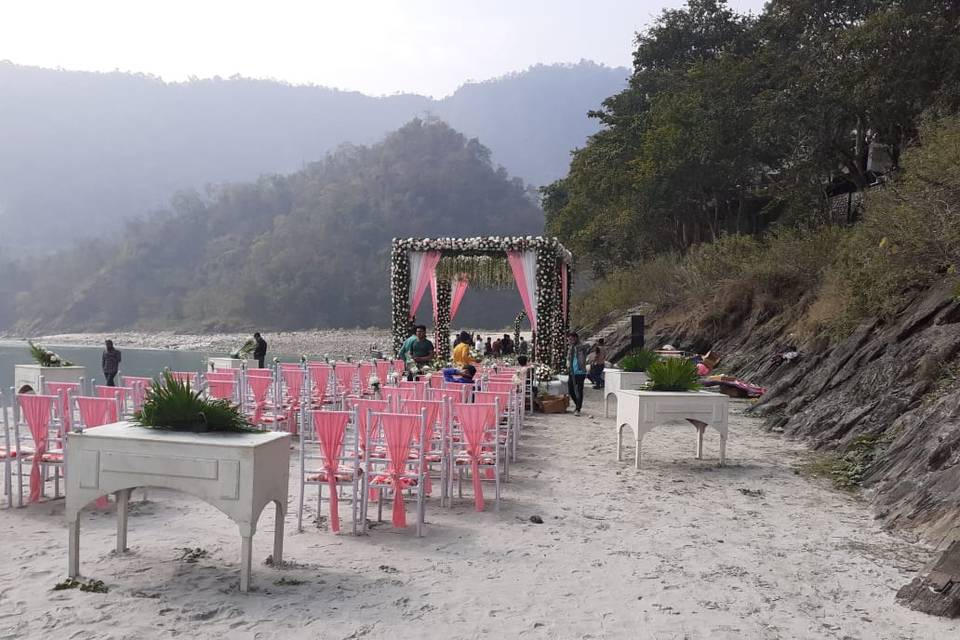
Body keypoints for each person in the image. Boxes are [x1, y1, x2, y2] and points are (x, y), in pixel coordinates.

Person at [567, 331, 590, 416]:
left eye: (572, 339)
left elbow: (588, 345)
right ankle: (578, 404)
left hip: (580, 372)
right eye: (569, 339)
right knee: (571, 390)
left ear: (576, 338)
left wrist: (579, 345)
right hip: (572, 372)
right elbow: (568, 358)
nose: (570, 341)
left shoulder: (582, 347)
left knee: (579, 390)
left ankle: (578, 409)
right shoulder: (570, 348)